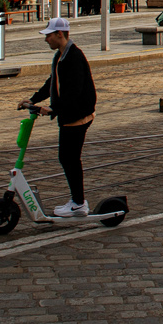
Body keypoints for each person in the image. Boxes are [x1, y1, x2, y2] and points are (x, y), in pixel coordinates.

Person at [19, 17, 97, 217]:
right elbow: (52, 83)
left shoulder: (74, 57)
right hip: (68, 114)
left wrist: (53, 109)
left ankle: (79, 203)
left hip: (78, 115)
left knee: (69, 158)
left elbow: (74, 91)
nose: (46, 40)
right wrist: (33, 99)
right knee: (67, 158)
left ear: (59, 34)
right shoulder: (60, 56)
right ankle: (77, 201)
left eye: (49, 36)